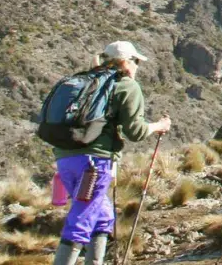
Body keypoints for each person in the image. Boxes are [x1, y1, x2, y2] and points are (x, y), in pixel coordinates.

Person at [51, 41, 172, 265]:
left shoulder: (87, 80)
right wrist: (158, 126)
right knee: (82, 219)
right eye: (136, 62)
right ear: (127, 62)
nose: (137, 67)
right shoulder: (126, 85)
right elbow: (135, 132)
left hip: (65, 158)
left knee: (102, 215)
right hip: (95, 163)